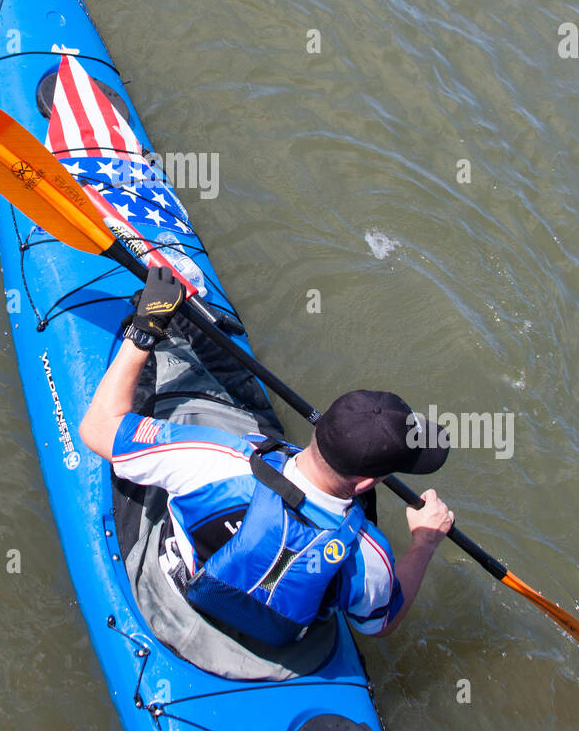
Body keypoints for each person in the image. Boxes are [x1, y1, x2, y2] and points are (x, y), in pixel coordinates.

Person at [80, 267, 455, 645]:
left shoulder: (212, 459)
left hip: (172, 599)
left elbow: (97, 430)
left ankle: (165, 316)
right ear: (367, 484)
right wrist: (424, 542)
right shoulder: (370, 554)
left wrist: (145, 328)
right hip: (271, 644)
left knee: (151, 399)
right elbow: (380, 623)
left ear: (319, 431)